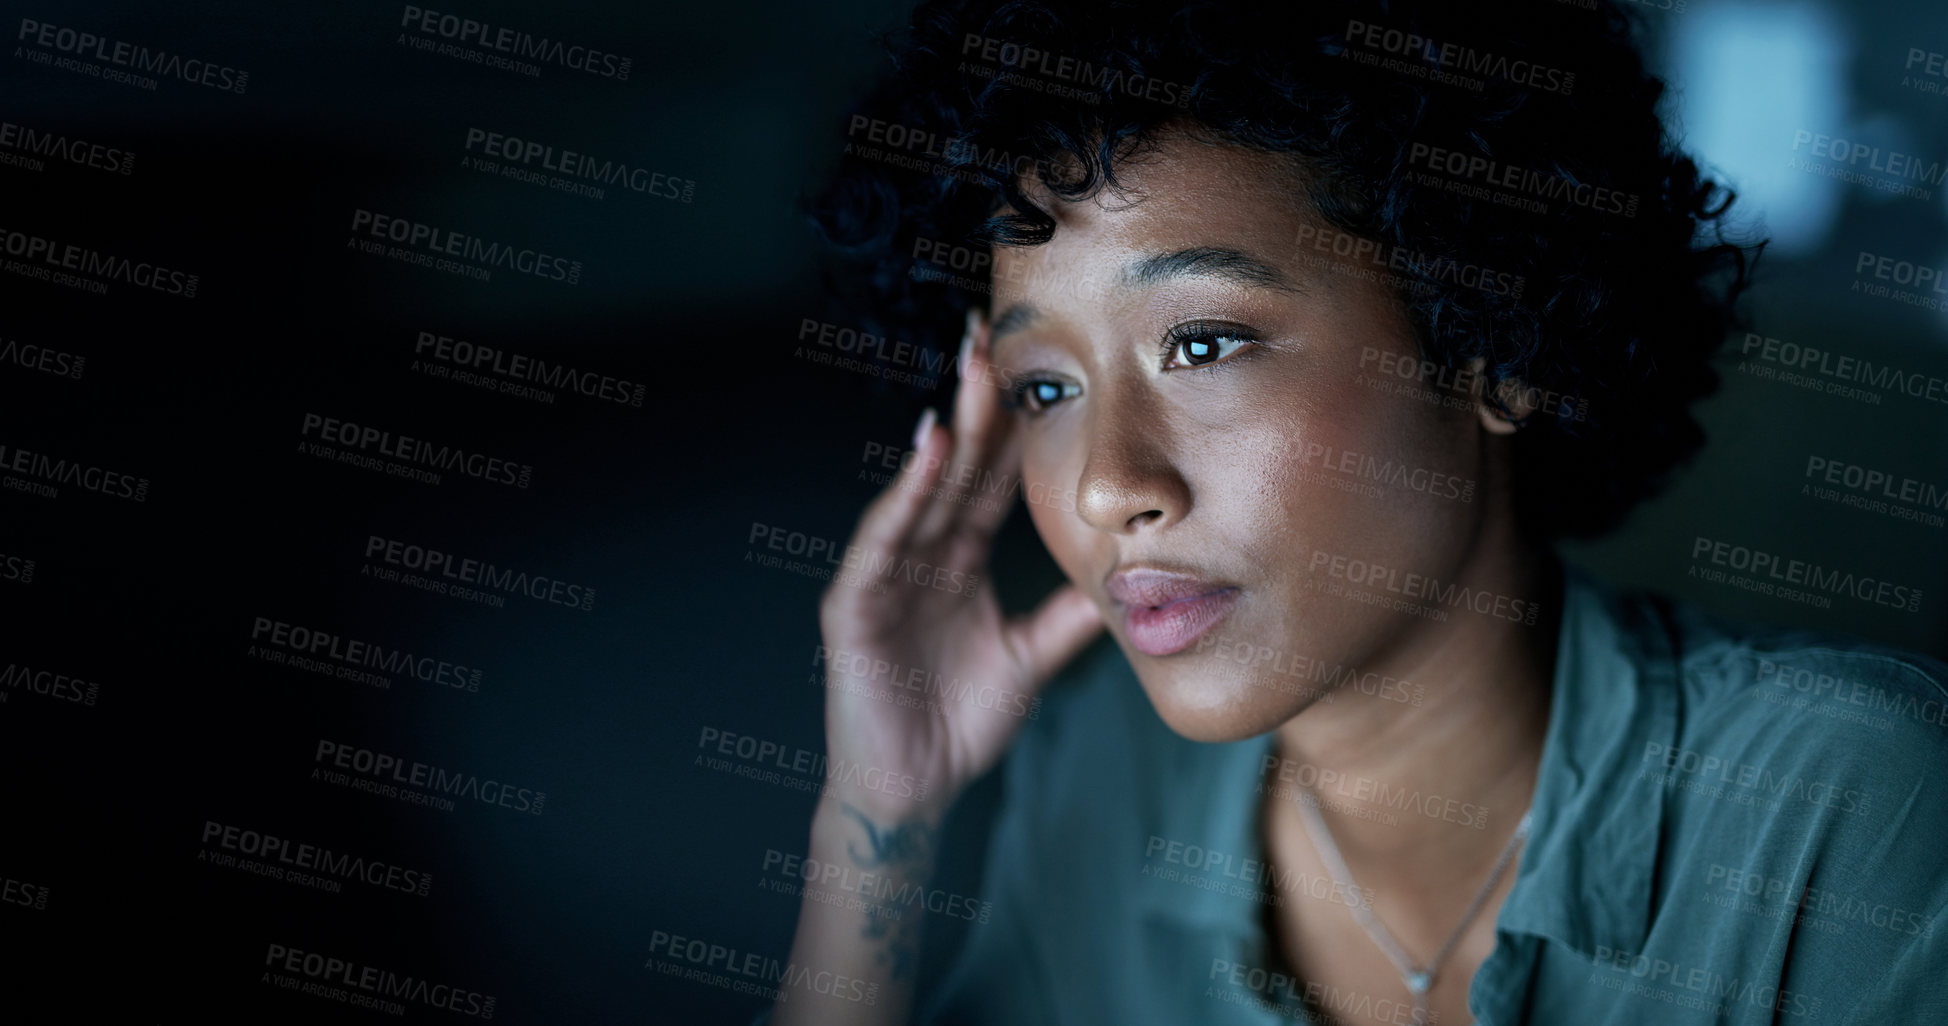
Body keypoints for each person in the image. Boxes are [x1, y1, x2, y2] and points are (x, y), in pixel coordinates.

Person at [771, 0, 1948, 1022]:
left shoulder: (1849, 812)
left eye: (1203, 342)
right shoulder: (1103, 777)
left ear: (1492, 349)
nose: (1105, 485)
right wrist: (874, 821)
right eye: (1047, 390)